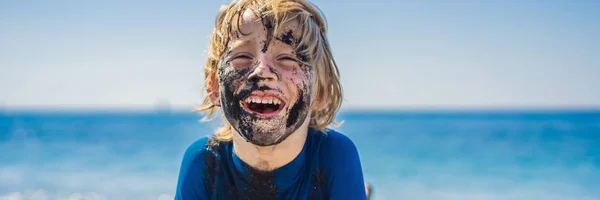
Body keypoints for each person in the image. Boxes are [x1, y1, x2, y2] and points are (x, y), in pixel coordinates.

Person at [175, 0, 367, 199]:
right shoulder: (205, 162)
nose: (262, 72)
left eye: (287, 58)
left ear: (321, 91)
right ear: (214, 86)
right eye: (242, 56)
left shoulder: (333, 157)